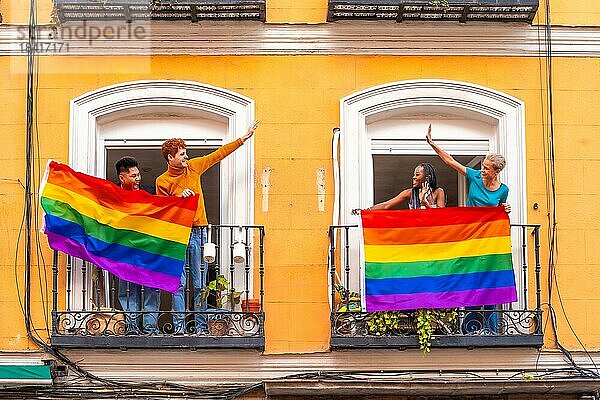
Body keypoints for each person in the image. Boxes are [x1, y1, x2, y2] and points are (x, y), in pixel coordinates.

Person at [156, 120, 259, 334]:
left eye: (185, 153)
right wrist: (177, 198)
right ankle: (179, 329)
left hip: (199, 232)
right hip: (177, 234)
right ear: (170, 158)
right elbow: (162, 210)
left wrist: (243, 138)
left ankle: (202, 328)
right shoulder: (162, 181)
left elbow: (218, 154)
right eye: (182, 154)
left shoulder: (194, 167)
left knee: (200, 282)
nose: (186, 157)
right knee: (178, 284)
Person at [425, 124, 510, 333]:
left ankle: (491, 329)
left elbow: (498, 213)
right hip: (469, 237)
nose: (482, 170)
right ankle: (470, 327)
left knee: (489, 280)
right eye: (482, 165)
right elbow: (450, 161)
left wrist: (505, 209)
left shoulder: (503, 190)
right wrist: (432, 143)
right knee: (472, 280)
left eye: (487, 168)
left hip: (488, 241)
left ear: (496, 171)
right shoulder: (474, 177)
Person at [115, 156, 160, 334]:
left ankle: (150, 327)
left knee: (151, 287)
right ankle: (132, 328)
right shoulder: (113, 194)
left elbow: (165, 209)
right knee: (127, 289)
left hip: (147, 248)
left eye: (138, 175)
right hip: (124, 250)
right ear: (122, 177)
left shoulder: (149, 192)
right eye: (133, 176)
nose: (138, 179)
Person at [352, 163, 445, 214]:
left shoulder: (438, 192)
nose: (413, 177)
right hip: (417, 233)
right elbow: (386, 205)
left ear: (427, 177)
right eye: (413, 175)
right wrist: (365, 211)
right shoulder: (409, 193)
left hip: (433, 234)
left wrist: (425, 203)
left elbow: (442, 215)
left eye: (417, 174)